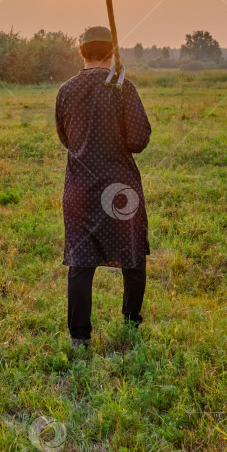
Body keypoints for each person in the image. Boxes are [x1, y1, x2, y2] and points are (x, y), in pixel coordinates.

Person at [55, 26, 151, 350]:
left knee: (81, 262)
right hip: (120, 190)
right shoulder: (123, 88)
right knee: (133, 256)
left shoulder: (65, 91)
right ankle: (130, 323)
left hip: (79, 190)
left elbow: (65, 139)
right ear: (112, 53)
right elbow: (139, 141)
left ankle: (79, 338)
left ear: (81, 51)